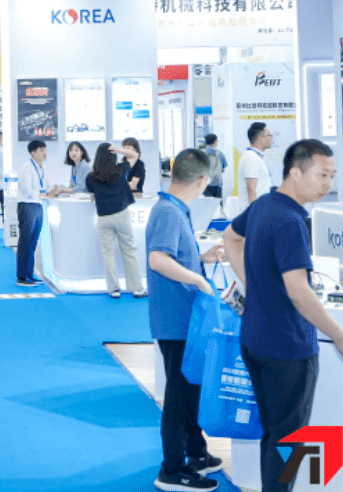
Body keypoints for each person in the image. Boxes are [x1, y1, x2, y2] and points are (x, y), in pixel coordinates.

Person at [222, 140, 343, 492]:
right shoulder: (290, 220)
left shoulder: (264, 204)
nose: (328, 183)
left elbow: (230, 237)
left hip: (255, 339)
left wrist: (254, 284)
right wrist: (340, 337)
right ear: (295, 173)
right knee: (288, 441)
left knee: (275, 434)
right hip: (286, 347)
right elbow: (299, 291)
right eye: (321, 175)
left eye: (332, 175)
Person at [146, 148, 224, 491]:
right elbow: (158, 259)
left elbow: (173, 255)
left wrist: (200, 259)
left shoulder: (173, 208)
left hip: (184, 318)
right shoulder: (169, 212)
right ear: (202, 180)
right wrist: (198, 279)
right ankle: (172, 469)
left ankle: (196, 452)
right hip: (175, 320)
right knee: (179, 396)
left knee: (190, 389)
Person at [86, 143, 146, 299]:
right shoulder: (121, 169)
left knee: (108, 254)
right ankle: (137, 288)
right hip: (121, 215)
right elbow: (135, 155)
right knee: (129, 250)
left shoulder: (91, 177)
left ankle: (114, 289)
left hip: (103, 218)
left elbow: (92, 198)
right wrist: (119, 150)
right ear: (113, 155)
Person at [16, 140, 62, 286]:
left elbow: (46, 187)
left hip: (38, 205)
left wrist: (52, 191)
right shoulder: (25, 168)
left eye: (45, 150)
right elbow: (27, 190)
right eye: (41, 150)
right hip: (27, 205)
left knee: (33, 242)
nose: (44, 153)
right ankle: (21, 277)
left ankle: (30, 274)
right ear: (33, 152)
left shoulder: (44, 169)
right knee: (25, 241)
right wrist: (44, 195)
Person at [238, 122, 273, 207]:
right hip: (256, 211)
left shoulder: (255, 157)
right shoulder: (251, 158)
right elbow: (251, 189)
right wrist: (255, 212)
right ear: (260, 138)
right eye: (269, 135)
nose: (271, 138)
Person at [201, 134, 227, 200]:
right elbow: (223, 169)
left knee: (206, 204)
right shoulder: (220, 154)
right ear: (215, 141)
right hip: (217, 183)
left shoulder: (201, 153)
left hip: (205, 183)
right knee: (217, 204)